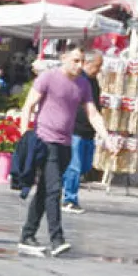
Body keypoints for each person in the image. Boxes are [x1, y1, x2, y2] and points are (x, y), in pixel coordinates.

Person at [17, 46, 113, 257]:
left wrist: (106, 136)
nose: (79, 66)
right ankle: (57, 238)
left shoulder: (83, 84)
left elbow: (92, 113)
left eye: (81, 61)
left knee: (44, 190)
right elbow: (28, 105)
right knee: (54, 189)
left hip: (66, 144)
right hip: (45, 140)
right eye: (75, 61)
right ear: (64, 58)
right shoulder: (48, 78)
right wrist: (25, 135)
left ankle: (27, 235)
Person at [62, 50, 104, 214]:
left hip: (89, 131)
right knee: (75, 166)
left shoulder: (93, 82)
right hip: (76, 129)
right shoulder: (78, 80)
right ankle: (69, 199)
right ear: (87, 63)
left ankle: (63, 187)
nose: (99, 69)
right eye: (97, 66)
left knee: (85, 165)